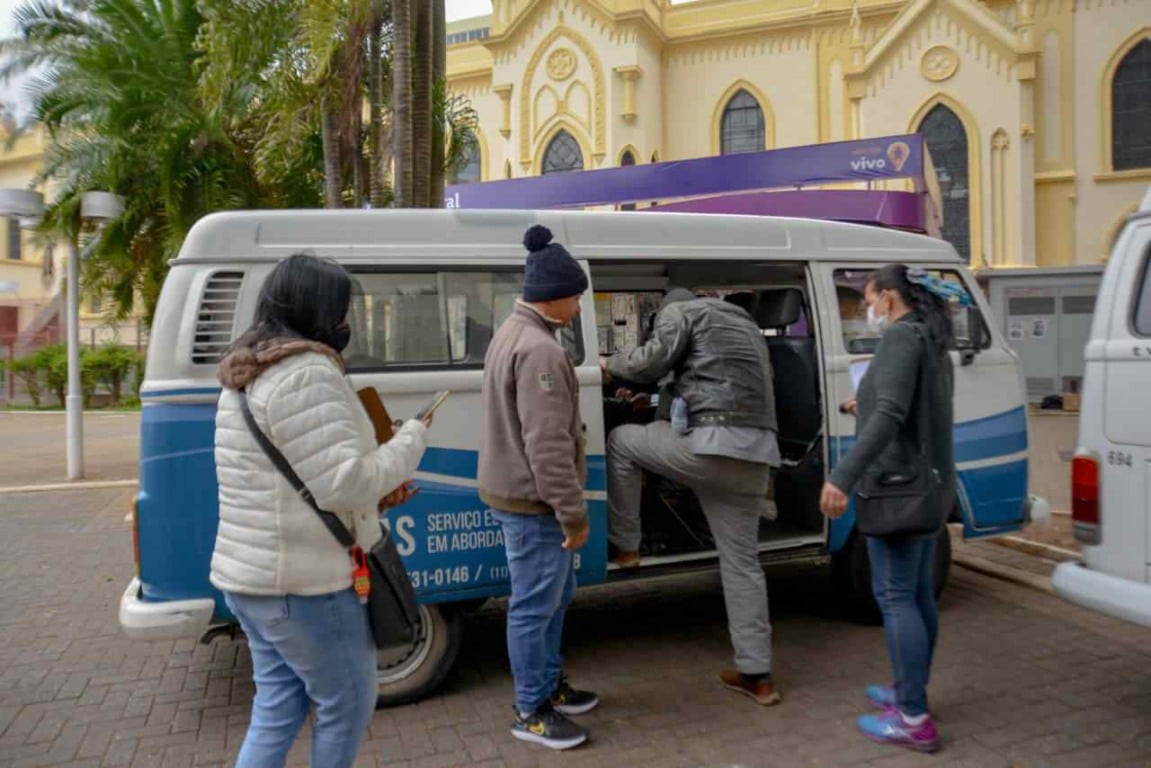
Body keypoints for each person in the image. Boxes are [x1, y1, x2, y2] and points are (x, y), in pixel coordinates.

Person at [211, 253, 431, 768]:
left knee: (279, 706)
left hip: (254, 578)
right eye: (340, 307)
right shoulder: (306, 374)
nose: (346, 320)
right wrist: (412, 440)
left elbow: (296, 481)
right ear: (316, 309)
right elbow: (342, 484)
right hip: (302, 586)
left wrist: (375, 494)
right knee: (347, 704)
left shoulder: (251, 372)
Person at [601, 287, 782, 707]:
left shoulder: (680, 312)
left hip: (710, 446)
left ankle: (627, 545)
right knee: (743, 566)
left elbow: (649, 362)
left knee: (621, 442)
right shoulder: (744, 323)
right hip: (757, 455)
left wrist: (609, 365)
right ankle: (757, 675)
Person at [819, 264, 967, 754]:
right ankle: (910, 690)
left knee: (896, 596)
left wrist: (841, 476)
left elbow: (890, 414)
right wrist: (860, 404)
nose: (869, 309)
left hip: (898, 487)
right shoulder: (930, 337)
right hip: (928, 485)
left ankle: (912, 717)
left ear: (888, 297)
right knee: (918, 593)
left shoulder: (902, 338)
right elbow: (906, 406)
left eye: (869, 299)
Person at [478, 225, 598, 751]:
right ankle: (531, 710)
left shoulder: (512, 331)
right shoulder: (541, 351)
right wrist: (573, 514)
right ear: (553, 297)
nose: (578, 306)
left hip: (520, 495)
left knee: (553, 596)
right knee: (534, 605)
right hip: (534, 503)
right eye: (575, 297)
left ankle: (549, 686)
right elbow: (547, 446)